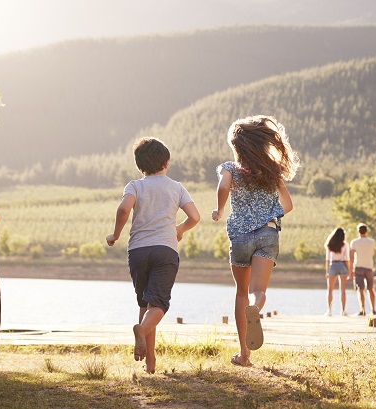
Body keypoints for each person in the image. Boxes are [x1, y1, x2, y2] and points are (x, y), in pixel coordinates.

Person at [211, 115, 300, 368]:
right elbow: (288, 205)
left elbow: (223, 187)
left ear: (237, 147)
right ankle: (256, 308)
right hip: (267, 234)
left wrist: (219, 210)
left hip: (240, 235)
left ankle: (244, 355)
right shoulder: (271, 172)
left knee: (240, 292)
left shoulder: (229, 168)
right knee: (257, 291)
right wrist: (270, 215)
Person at [106, 137, 200, 374]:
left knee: (145, 303)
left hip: (138, 251)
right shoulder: (177, 187)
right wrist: (179, 229)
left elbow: (123, 209)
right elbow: (195, 217)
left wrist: (115, 234)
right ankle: (140, 331)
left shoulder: (135, 186)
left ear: (140, 165)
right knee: (158, 305)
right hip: (165, 250)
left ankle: (150, 361)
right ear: (166, 162)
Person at [350, 223, 376, 316]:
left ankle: (362, 310)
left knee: (360, 290)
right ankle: (373, 309)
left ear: (358, 231)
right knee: (370, 289)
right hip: (369, 267)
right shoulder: (372, 241)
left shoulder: (354, 242)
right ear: (366, 231)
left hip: (358, 267)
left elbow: (352, 256)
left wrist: (351, 269)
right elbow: (373, 251)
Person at [325, 227, 351, 316]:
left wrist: (327, 271)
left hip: (333, 265)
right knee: (343, 290)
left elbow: (328, 259)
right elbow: (347, 259)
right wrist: (349, 271)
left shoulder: (329, 244)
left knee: (330, 290)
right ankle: (343, 311)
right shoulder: (345, 245)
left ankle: (329, 311)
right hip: (342, 265)